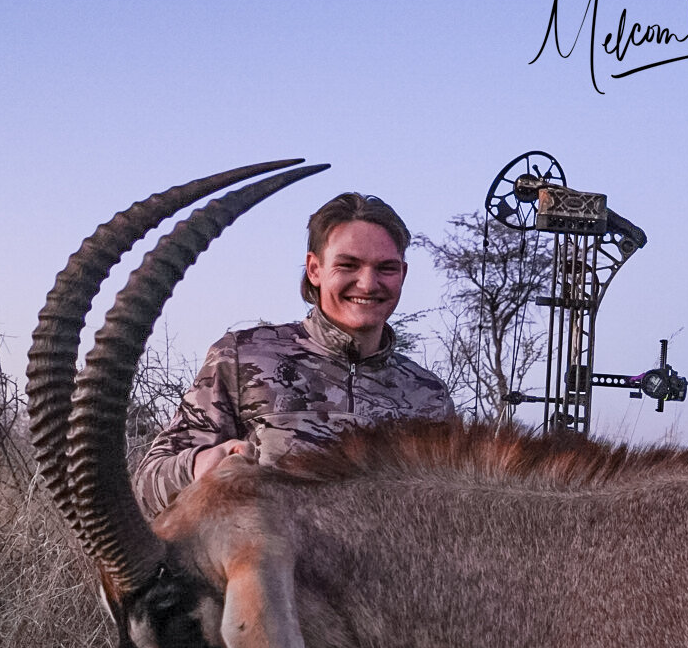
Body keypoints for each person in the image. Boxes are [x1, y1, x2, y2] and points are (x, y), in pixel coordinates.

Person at [134, 191, 453, 519]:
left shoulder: (429, 395)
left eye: (386, 268)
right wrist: (200, 466)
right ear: (314, 269)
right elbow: (146, 488)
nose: (368, 283)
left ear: (403, 273)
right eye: (348, 265)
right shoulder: (241, 357)